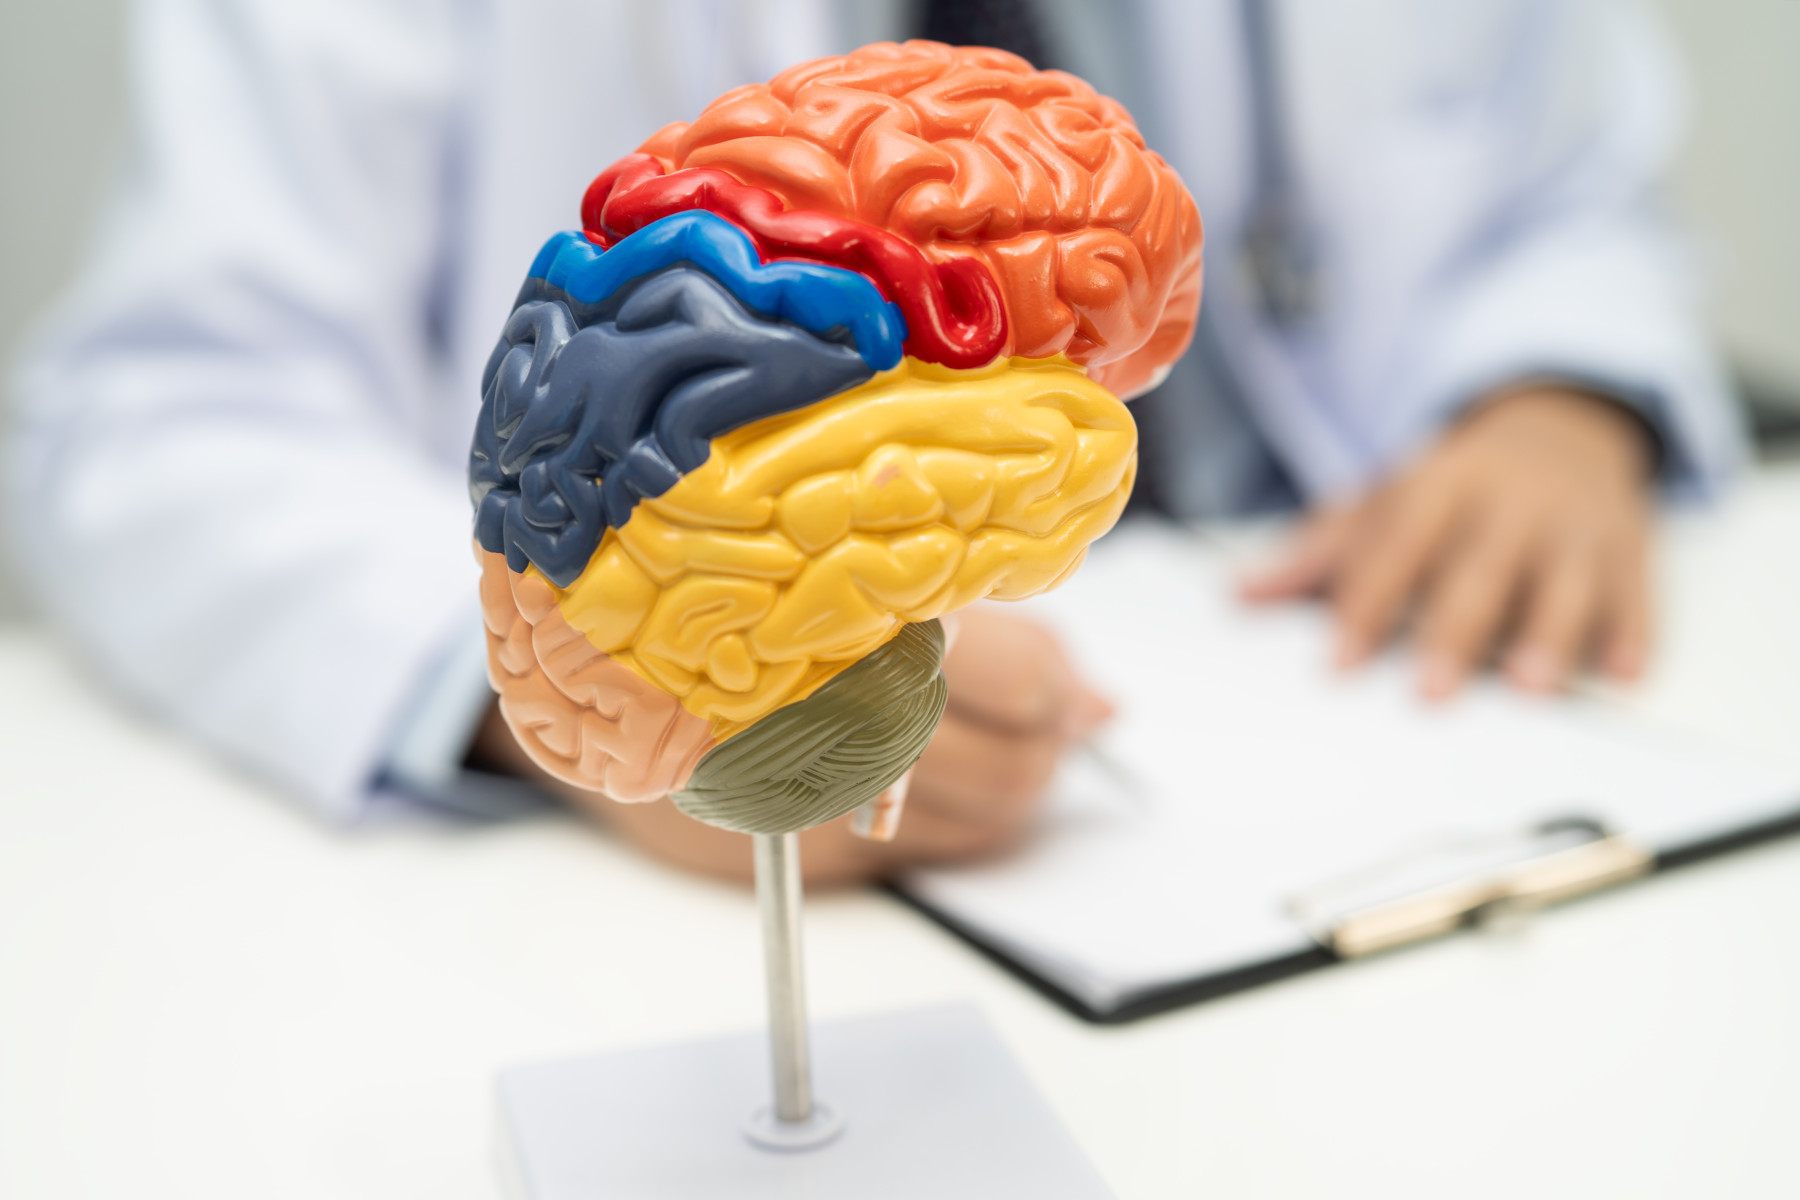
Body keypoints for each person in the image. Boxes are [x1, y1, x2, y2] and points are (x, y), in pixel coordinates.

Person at [6, 0, 1742, 884]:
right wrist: (599, 692)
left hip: (1354, 712)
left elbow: (1573, 193)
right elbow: (157, 405)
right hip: (706, 863)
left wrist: (1556, 397)